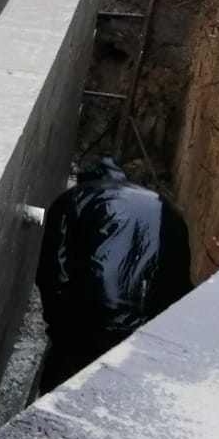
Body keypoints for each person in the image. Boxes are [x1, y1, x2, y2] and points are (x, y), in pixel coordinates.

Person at [33, 158, 193, 397]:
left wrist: (59, 331)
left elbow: (54, 275)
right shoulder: (164, 205)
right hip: (157, 326)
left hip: (100, 315)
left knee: (62, 392)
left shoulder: (74, 198)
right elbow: (181, 276)